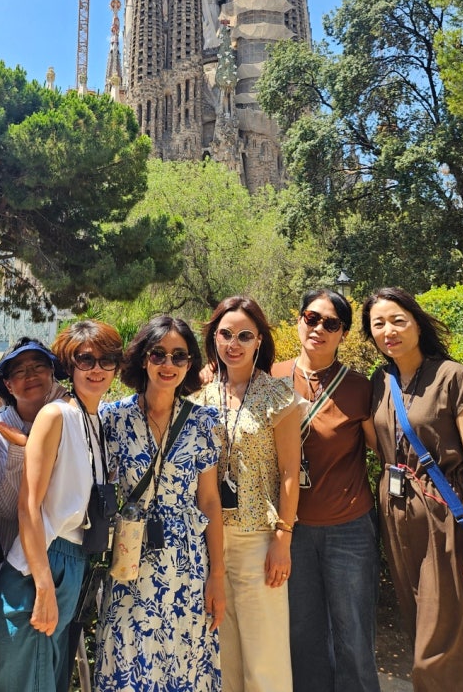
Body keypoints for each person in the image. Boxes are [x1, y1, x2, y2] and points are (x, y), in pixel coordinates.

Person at [362, 287, 463, 692]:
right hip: (396, 516)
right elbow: (377, 443)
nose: (388, 331)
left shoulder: (452, 376)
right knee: (421, 622)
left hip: (444, 515)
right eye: (378, 324)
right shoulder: (380, 381)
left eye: (397, 320)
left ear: (417, 324)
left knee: (438, 644)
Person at [95, 315, 225, 692]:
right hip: (130, 555)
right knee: (126, 654)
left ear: (189, 363)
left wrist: (217, 576)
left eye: (178, 356)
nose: (168, 364)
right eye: (158, 354)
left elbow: (209, 501)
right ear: (143, 358)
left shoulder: (203, 422)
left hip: (185, 562)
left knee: (182, 660)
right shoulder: (113, 418)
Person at [0, 320, 122, 692]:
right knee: (29, 680)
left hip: (72, 561)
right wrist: (44, 586)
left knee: (47, 679)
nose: (97, 369)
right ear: (68, 365)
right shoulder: (55, 415)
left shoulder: (94, 419)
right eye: (85, 359)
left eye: (107, 360)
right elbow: (27, 507)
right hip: (43, 565)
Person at [271, 290, 380, 692]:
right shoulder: (272, 376)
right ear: (299, 320)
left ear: (343, 333)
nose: (318, 328)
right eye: (311, 318)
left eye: (331, 323)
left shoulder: (358, 387)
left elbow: (384, 450)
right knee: (303, 636)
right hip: (291, 530)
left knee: (354, 637)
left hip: (348, 529)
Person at [195, 296, 301, 692]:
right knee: (221, 655)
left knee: (264, 659)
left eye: (244, 335)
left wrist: (283, 539)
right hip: (208, 540)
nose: (233, 344)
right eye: (225, 334)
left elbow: (290, 472)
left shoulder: (277, 394)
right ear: (214, 338)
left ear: (259, 340)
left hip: (259, 539)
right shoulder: (199, 396)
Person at [0, 337, 70, 554]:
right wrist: (21, 449)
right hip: (16, 557)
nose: (30, 375)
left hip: (66, 554)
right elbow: (7, 509)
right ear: (8, 385)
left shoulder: (71, 419)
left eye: (38, 366)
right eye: (19, 371)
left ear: (52, 372)